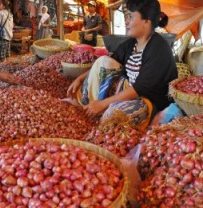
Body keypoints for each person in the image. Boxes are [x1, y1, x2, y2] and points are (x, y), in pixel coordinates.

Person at [66, 0, 177, 130]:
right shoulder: (131, 44)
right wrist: (79, 79)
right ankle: (89, 106)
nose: (126, 21)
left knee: (113, 116)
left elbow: (139, 89)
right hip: (128, 91)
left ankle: (97, 111)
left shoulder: (159, 49)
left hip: (147, 101)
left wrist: (103, 104)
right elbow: (107, 62)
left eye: (130, 17)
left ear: (146, 21)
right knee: (103, 61)